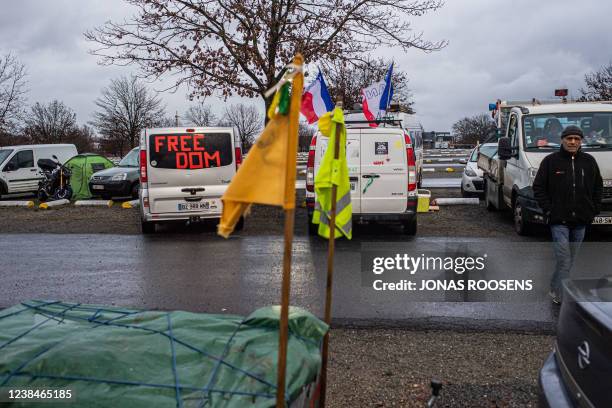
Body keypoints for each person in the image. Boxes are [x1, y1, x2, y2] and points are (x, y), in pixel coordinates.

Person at [533, 125, 603, 304]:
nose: (573, 142)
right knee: (564, 259)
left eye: (577, 139)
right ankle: (561, 295)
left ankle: (554, 287)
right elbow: (539, 187)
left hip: (581, 220)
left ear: (581, 141)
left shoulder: (589, 161)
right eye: (569, 138)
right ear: (562, 140)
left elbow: (598, 187)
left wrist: (594, 208)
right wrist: (549, 209)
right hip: (559, 221)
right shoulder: (550, 161)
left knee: (569, 260)